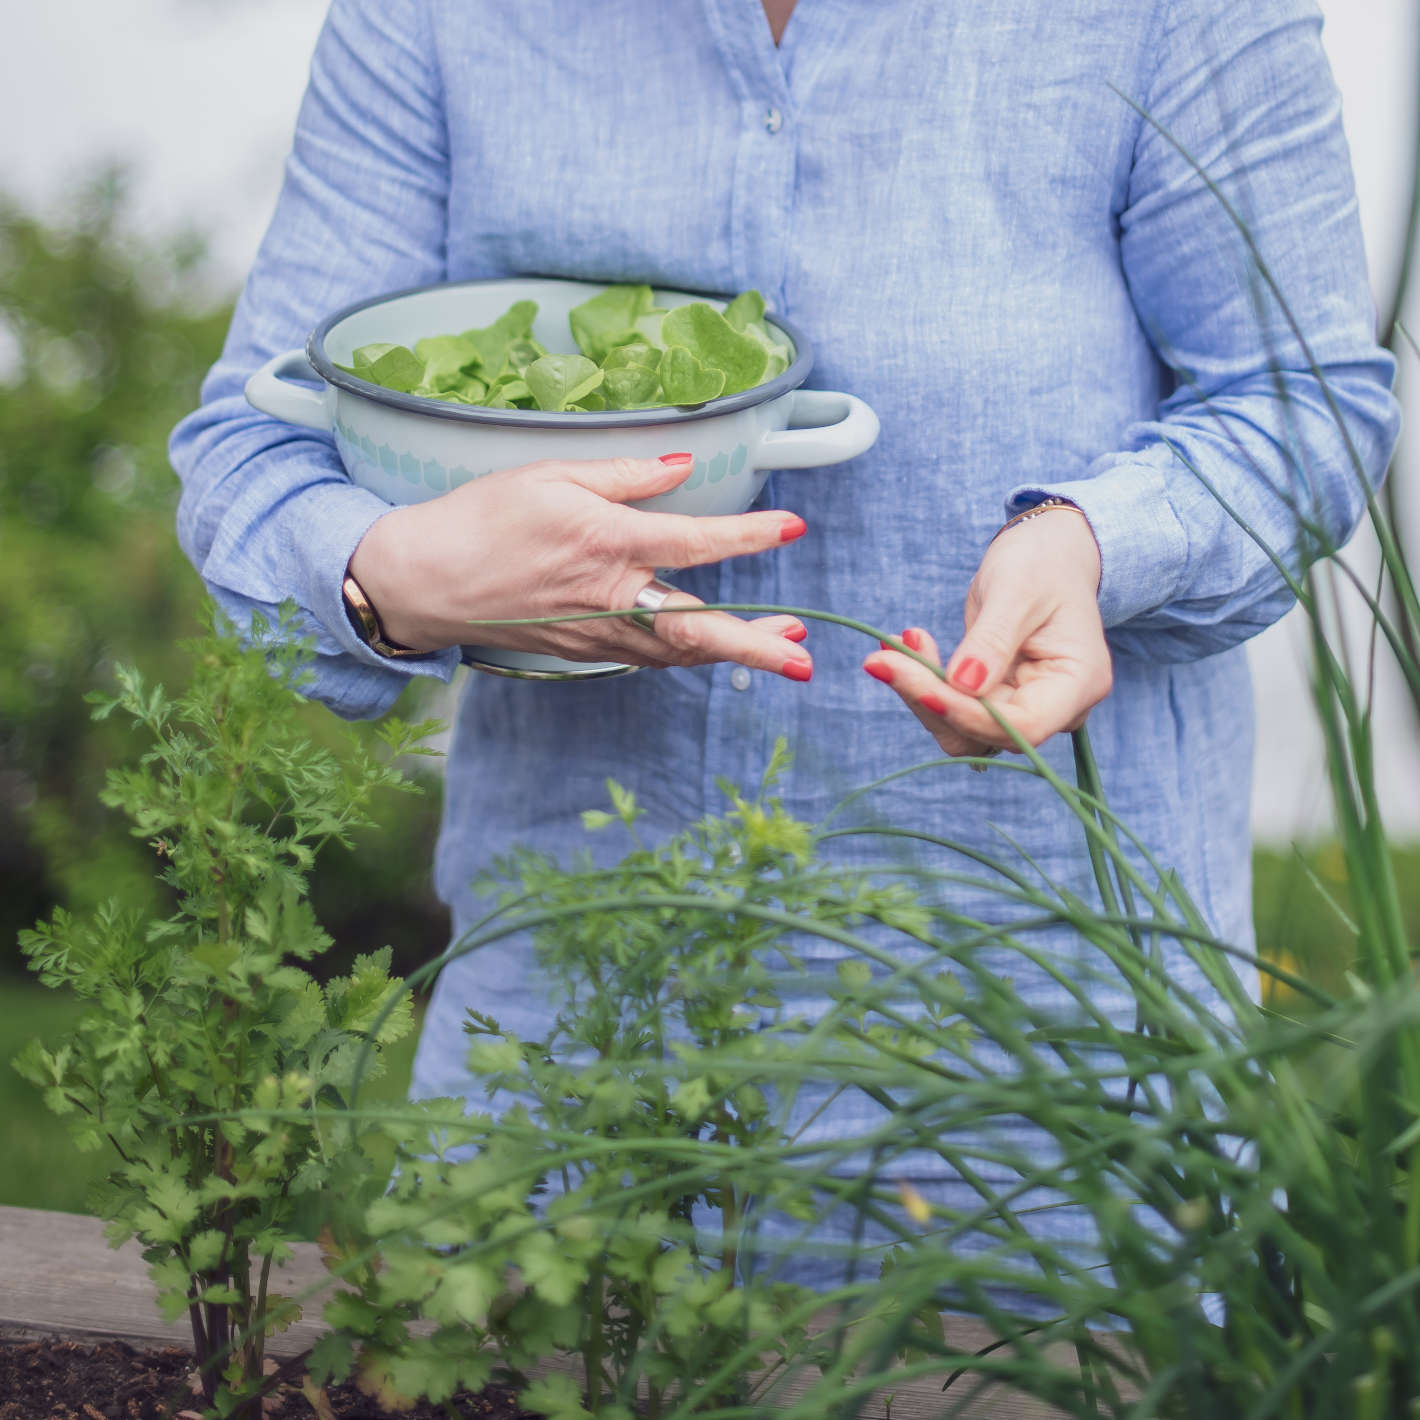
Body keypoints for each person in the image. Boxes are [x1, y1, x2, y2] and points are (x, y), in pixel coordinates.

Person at [170, 0, 1398, 1287]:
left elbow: (1298, 404)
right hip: (562, 1068)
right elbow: (253, 452)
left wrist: (1091, 542)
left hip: (1046, 1093)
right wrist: (392, 579)